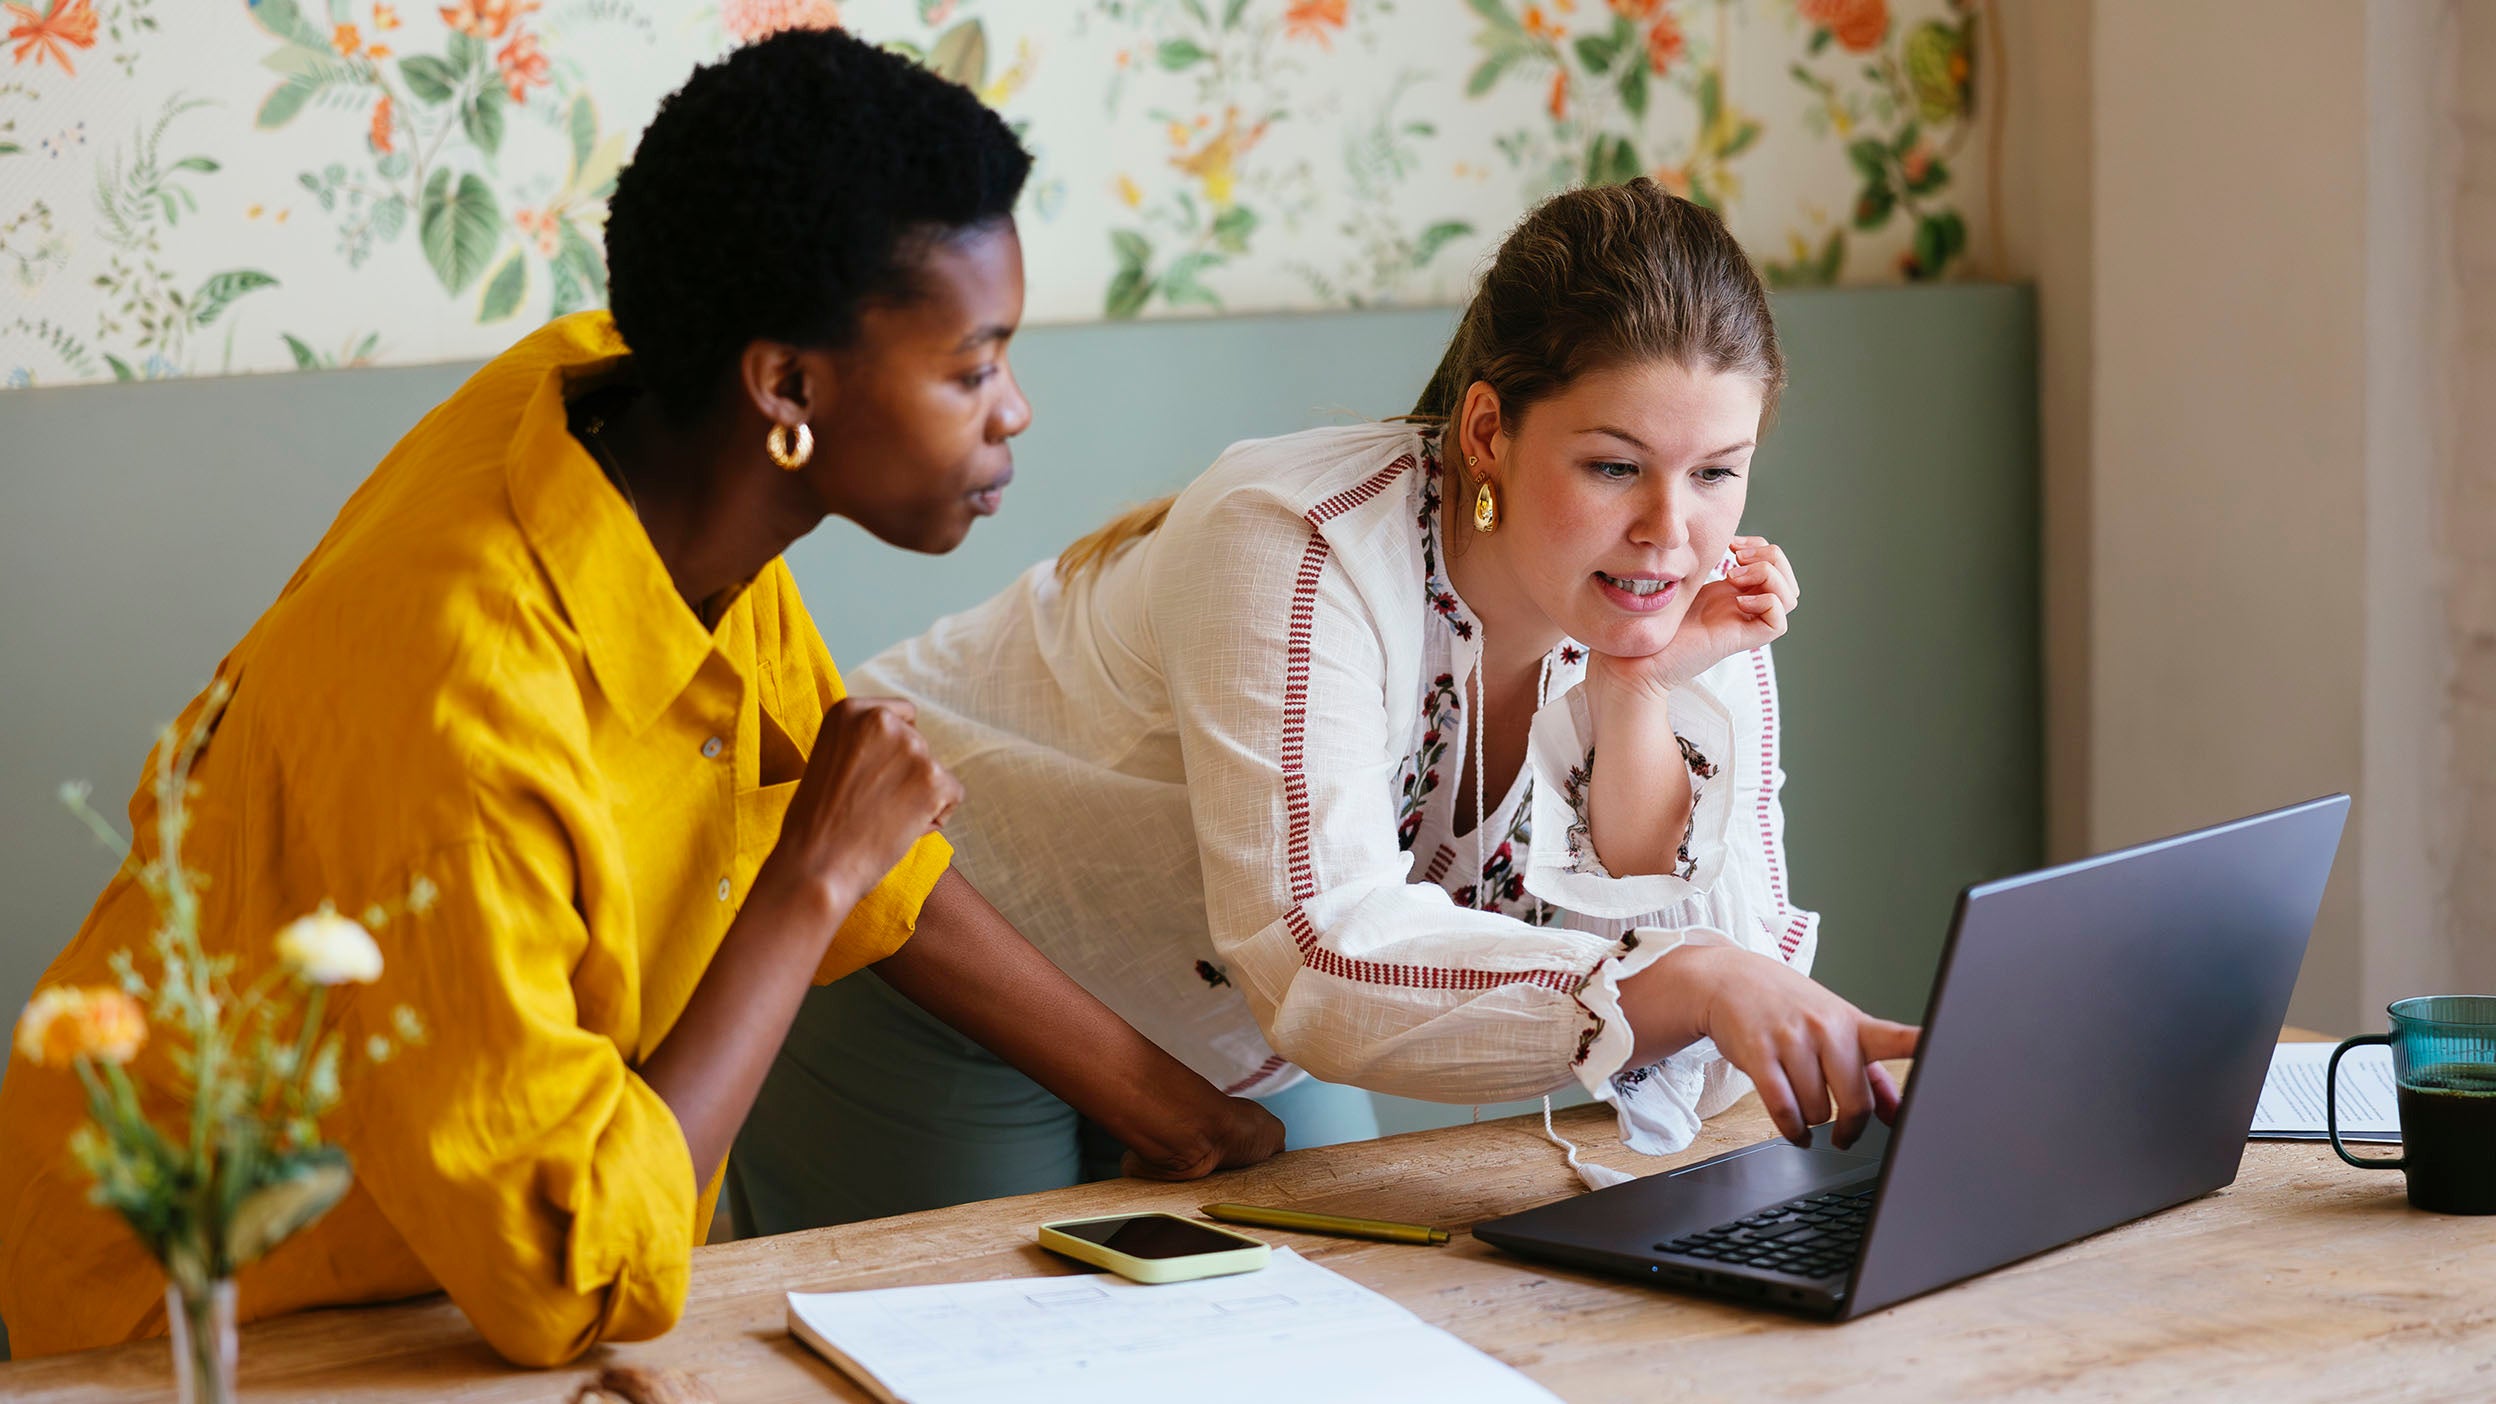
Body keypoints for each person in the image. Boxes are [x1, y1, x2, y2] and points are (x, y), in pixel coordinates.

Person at [0, 30, 1278, 1366]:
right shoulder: (464, 694)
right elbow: (568, 1280)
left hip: (454, 1263)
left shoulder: (637, 420)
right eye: (972, 368)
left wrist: (1179, 1113)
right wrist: (806, 887)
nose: (1013, 411)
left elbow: (857, 833)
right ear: (784, 385)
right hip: (212, 1314)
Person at [734, 178, 1921, 1234]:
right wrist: (1698, 982)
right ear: (1490, 431)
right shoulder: (1299, 541)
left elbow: (1718, 1050)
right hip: (945, 950)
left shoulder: (1687, 608)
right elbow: (1327, 956)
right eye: (1615, 466)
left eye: (1718, 470)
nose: (1671, 529)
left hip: (1235, 1024)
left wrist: (1635, 687)